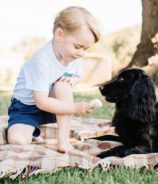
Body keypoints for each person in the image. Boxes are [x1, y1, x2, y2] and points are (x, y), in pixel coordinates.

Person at [7, 6, 101, 153]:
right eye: (78, 47)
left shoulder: (72, 56)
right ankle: (31, 130)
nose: (81, 53)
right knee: (18, 141)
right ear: (59, 34)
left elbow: (77, 75)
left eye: (85, 49)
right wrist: (75, 108)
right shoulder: (41, 62)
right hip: (26, 108)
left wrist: (72, 82)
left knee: (62, 87)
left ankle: (63, 142)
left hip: (54, 104)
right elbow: (41, 102)